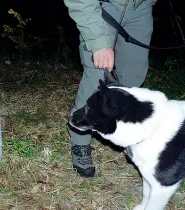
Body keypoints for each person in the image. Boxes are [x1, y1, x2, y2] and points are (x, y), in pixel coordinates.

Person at [63, 0, 157, 177]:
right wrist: (99, 42)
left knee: (133, 79)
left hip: (140, 7)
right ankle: (80, 141)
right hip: (102, 7)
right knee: (96, 78)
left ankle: (129, 135)